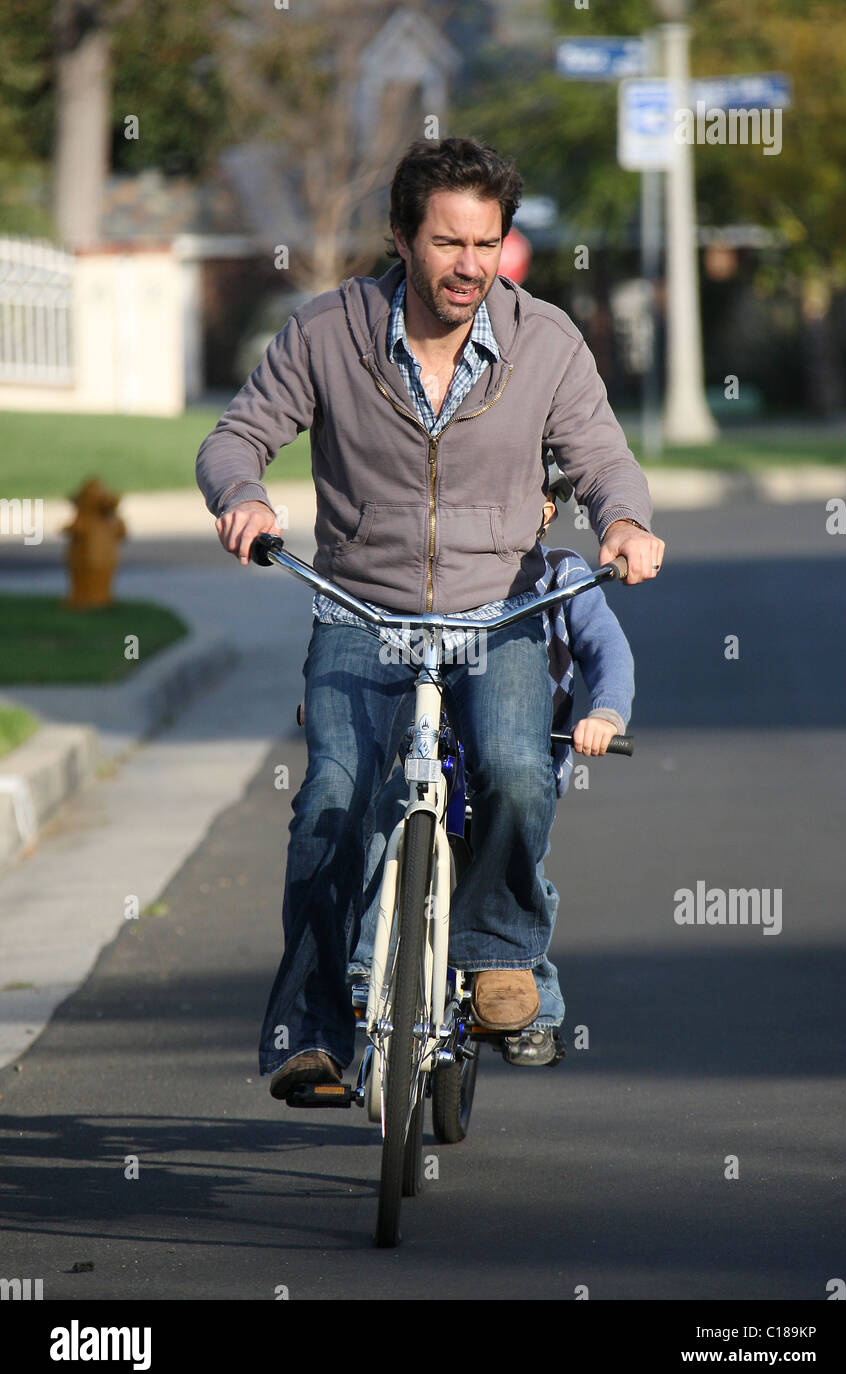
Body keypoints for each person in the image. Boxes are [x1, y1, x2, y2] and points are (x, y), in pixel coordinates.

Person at [195, 136, 665, 1101]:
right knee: (331, 793)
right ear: (402, 239)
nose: (469, 266)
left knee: (520, 770)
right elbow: (236, 436)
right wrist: (241, 494)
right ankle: (313, 1030)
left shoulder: (546, 343)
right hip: (360, 608)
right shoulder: (327, 332)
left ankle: (500, 955)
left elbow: (603, 459)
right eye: (448, 243)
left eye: (486, 244)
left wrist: (623, 520)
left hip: (502, 612)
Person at [341, 458, 635, 1067]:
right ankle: (367, 965)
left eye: (538, 499)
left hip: (519, 757)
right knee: (382, 819)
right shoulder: (435, 578)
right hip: (432, 754)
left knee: (517, 858)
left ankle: (536, 1010)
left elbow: (607, 648)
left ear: (548, 511)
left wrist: (604, 714)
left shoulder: (563, 576)